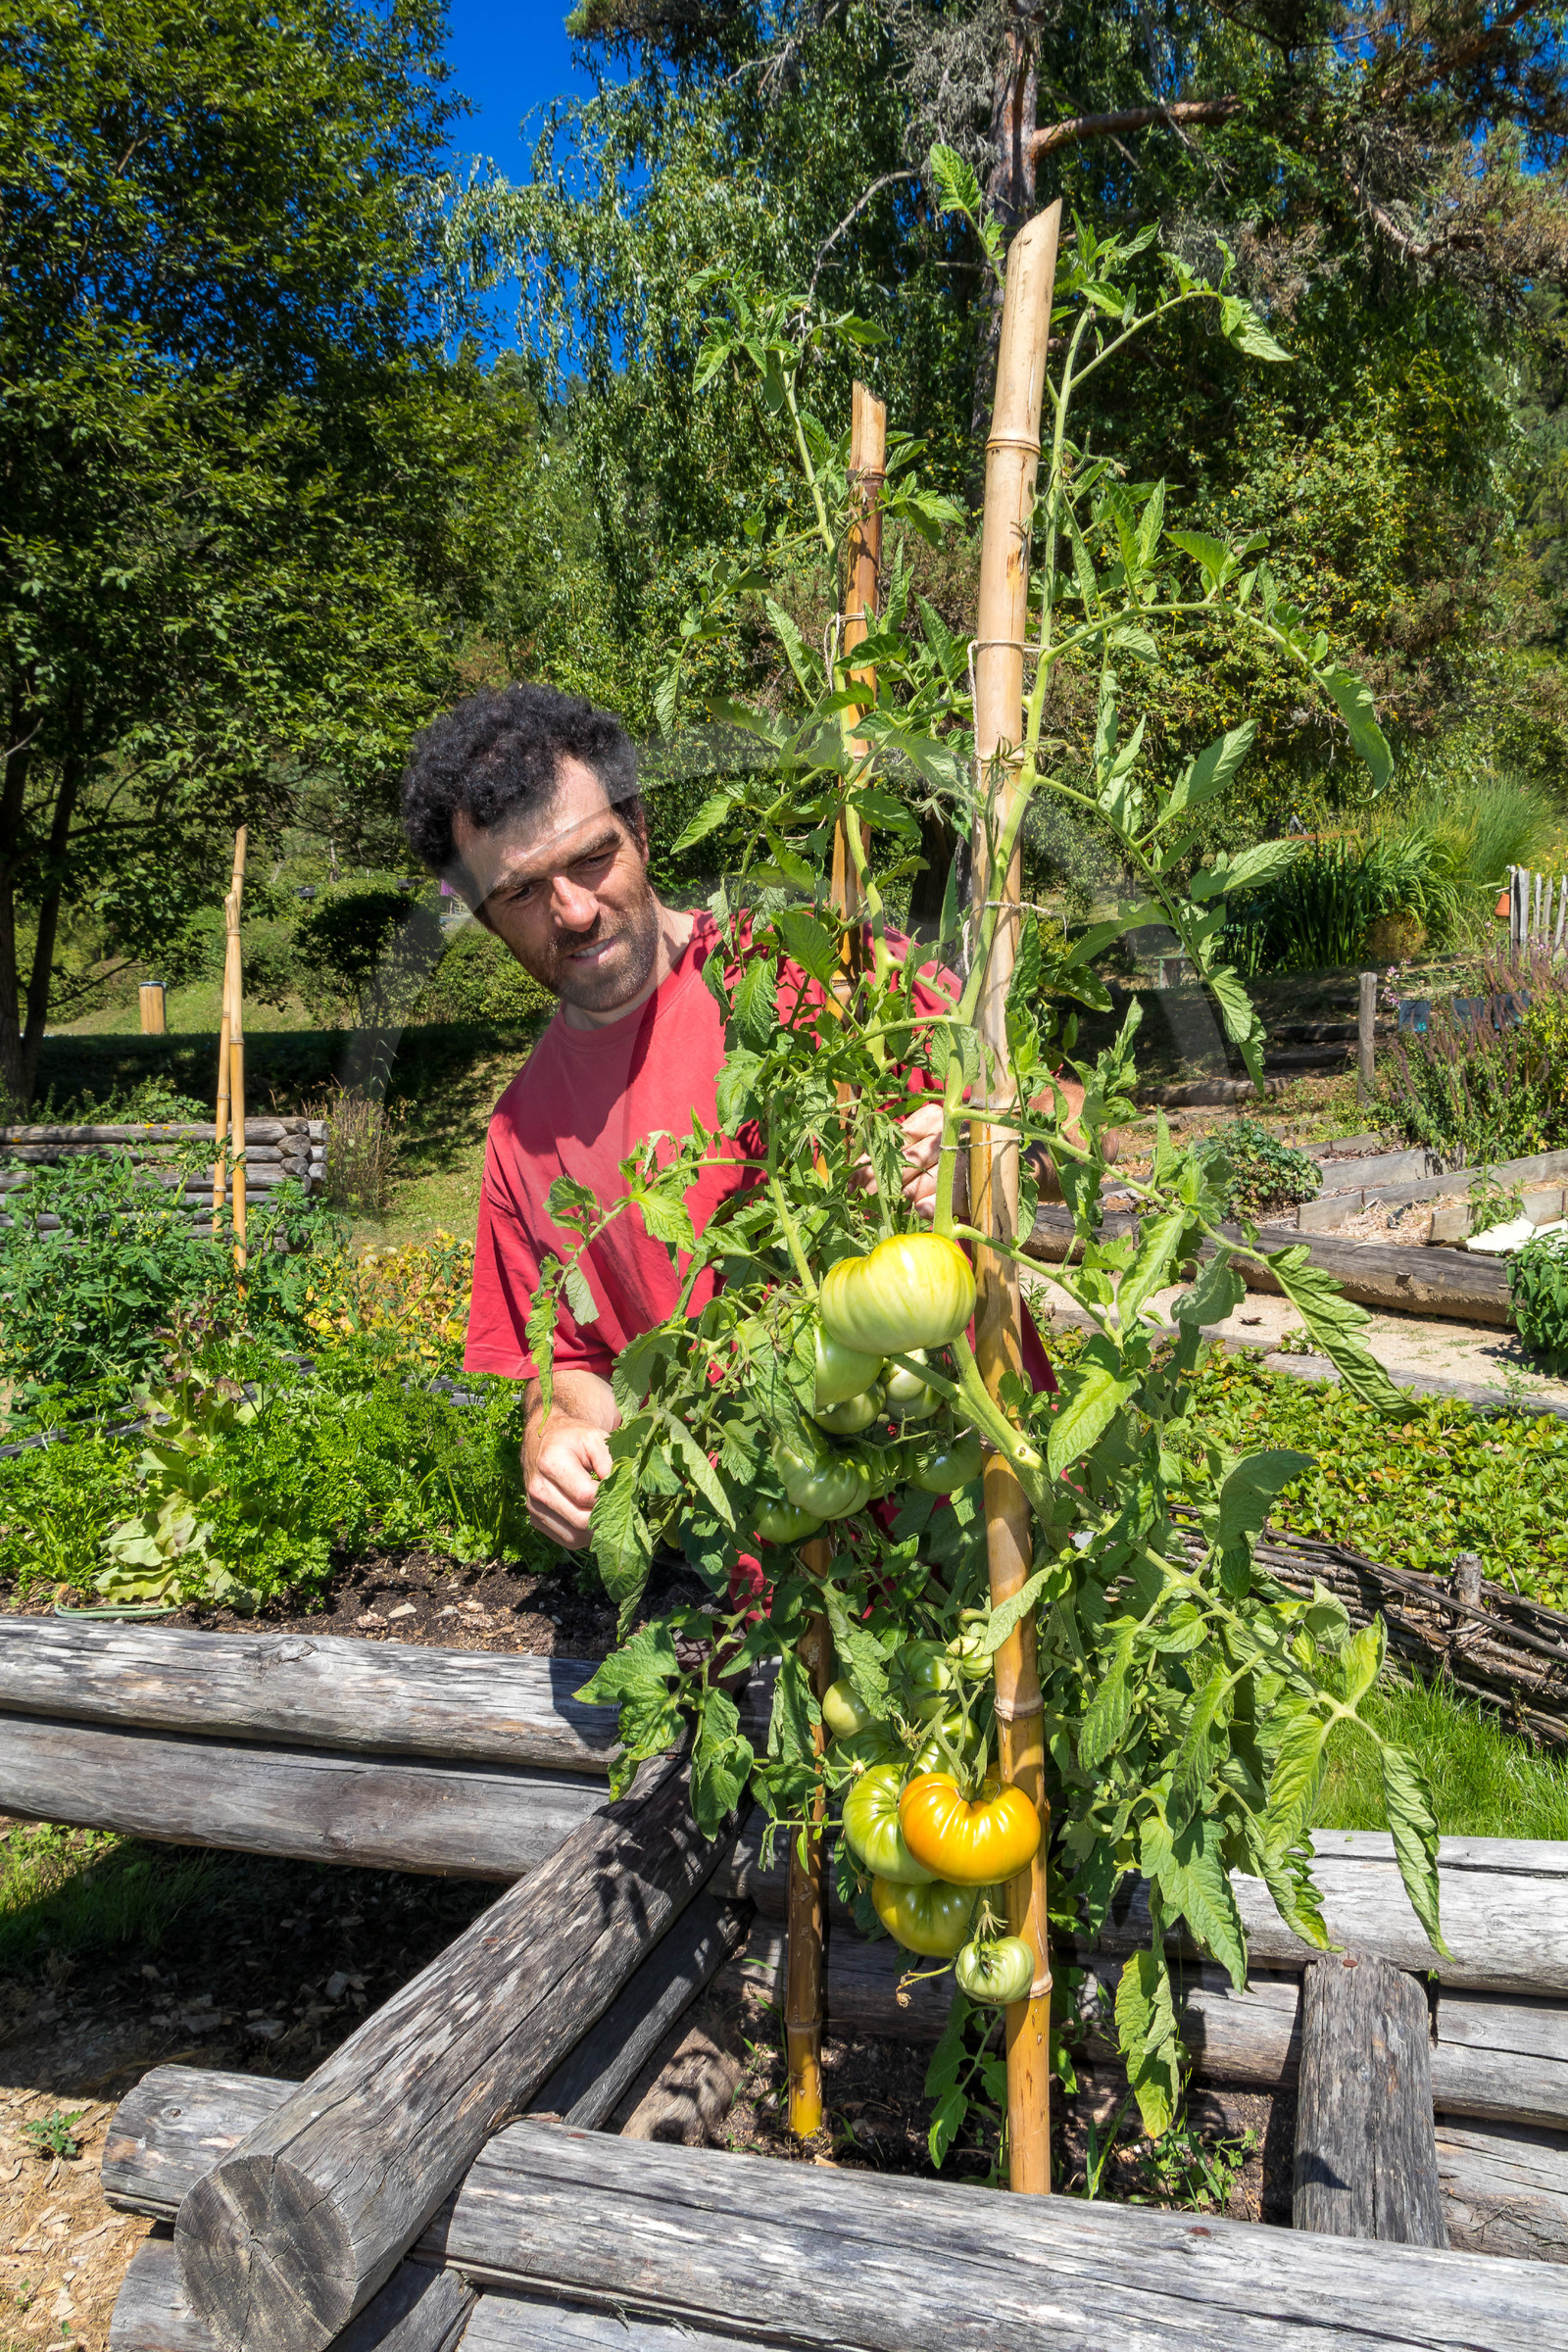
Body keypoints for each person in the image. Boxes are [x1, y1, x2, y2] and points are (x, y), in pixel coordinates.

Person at [400, 681, 1053, 1552]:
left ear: (639, 828)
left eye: (592, 857)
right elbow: (575, 1359)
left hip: (990, 1531)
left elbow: (1065, 1131)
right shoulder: (521, 1136)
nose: (575, 909)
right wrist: (552, 1427)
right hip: (776, 1590)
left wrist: (987, 1153)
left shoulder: (815, 967)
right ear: (481, 916)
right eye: (521, 892)